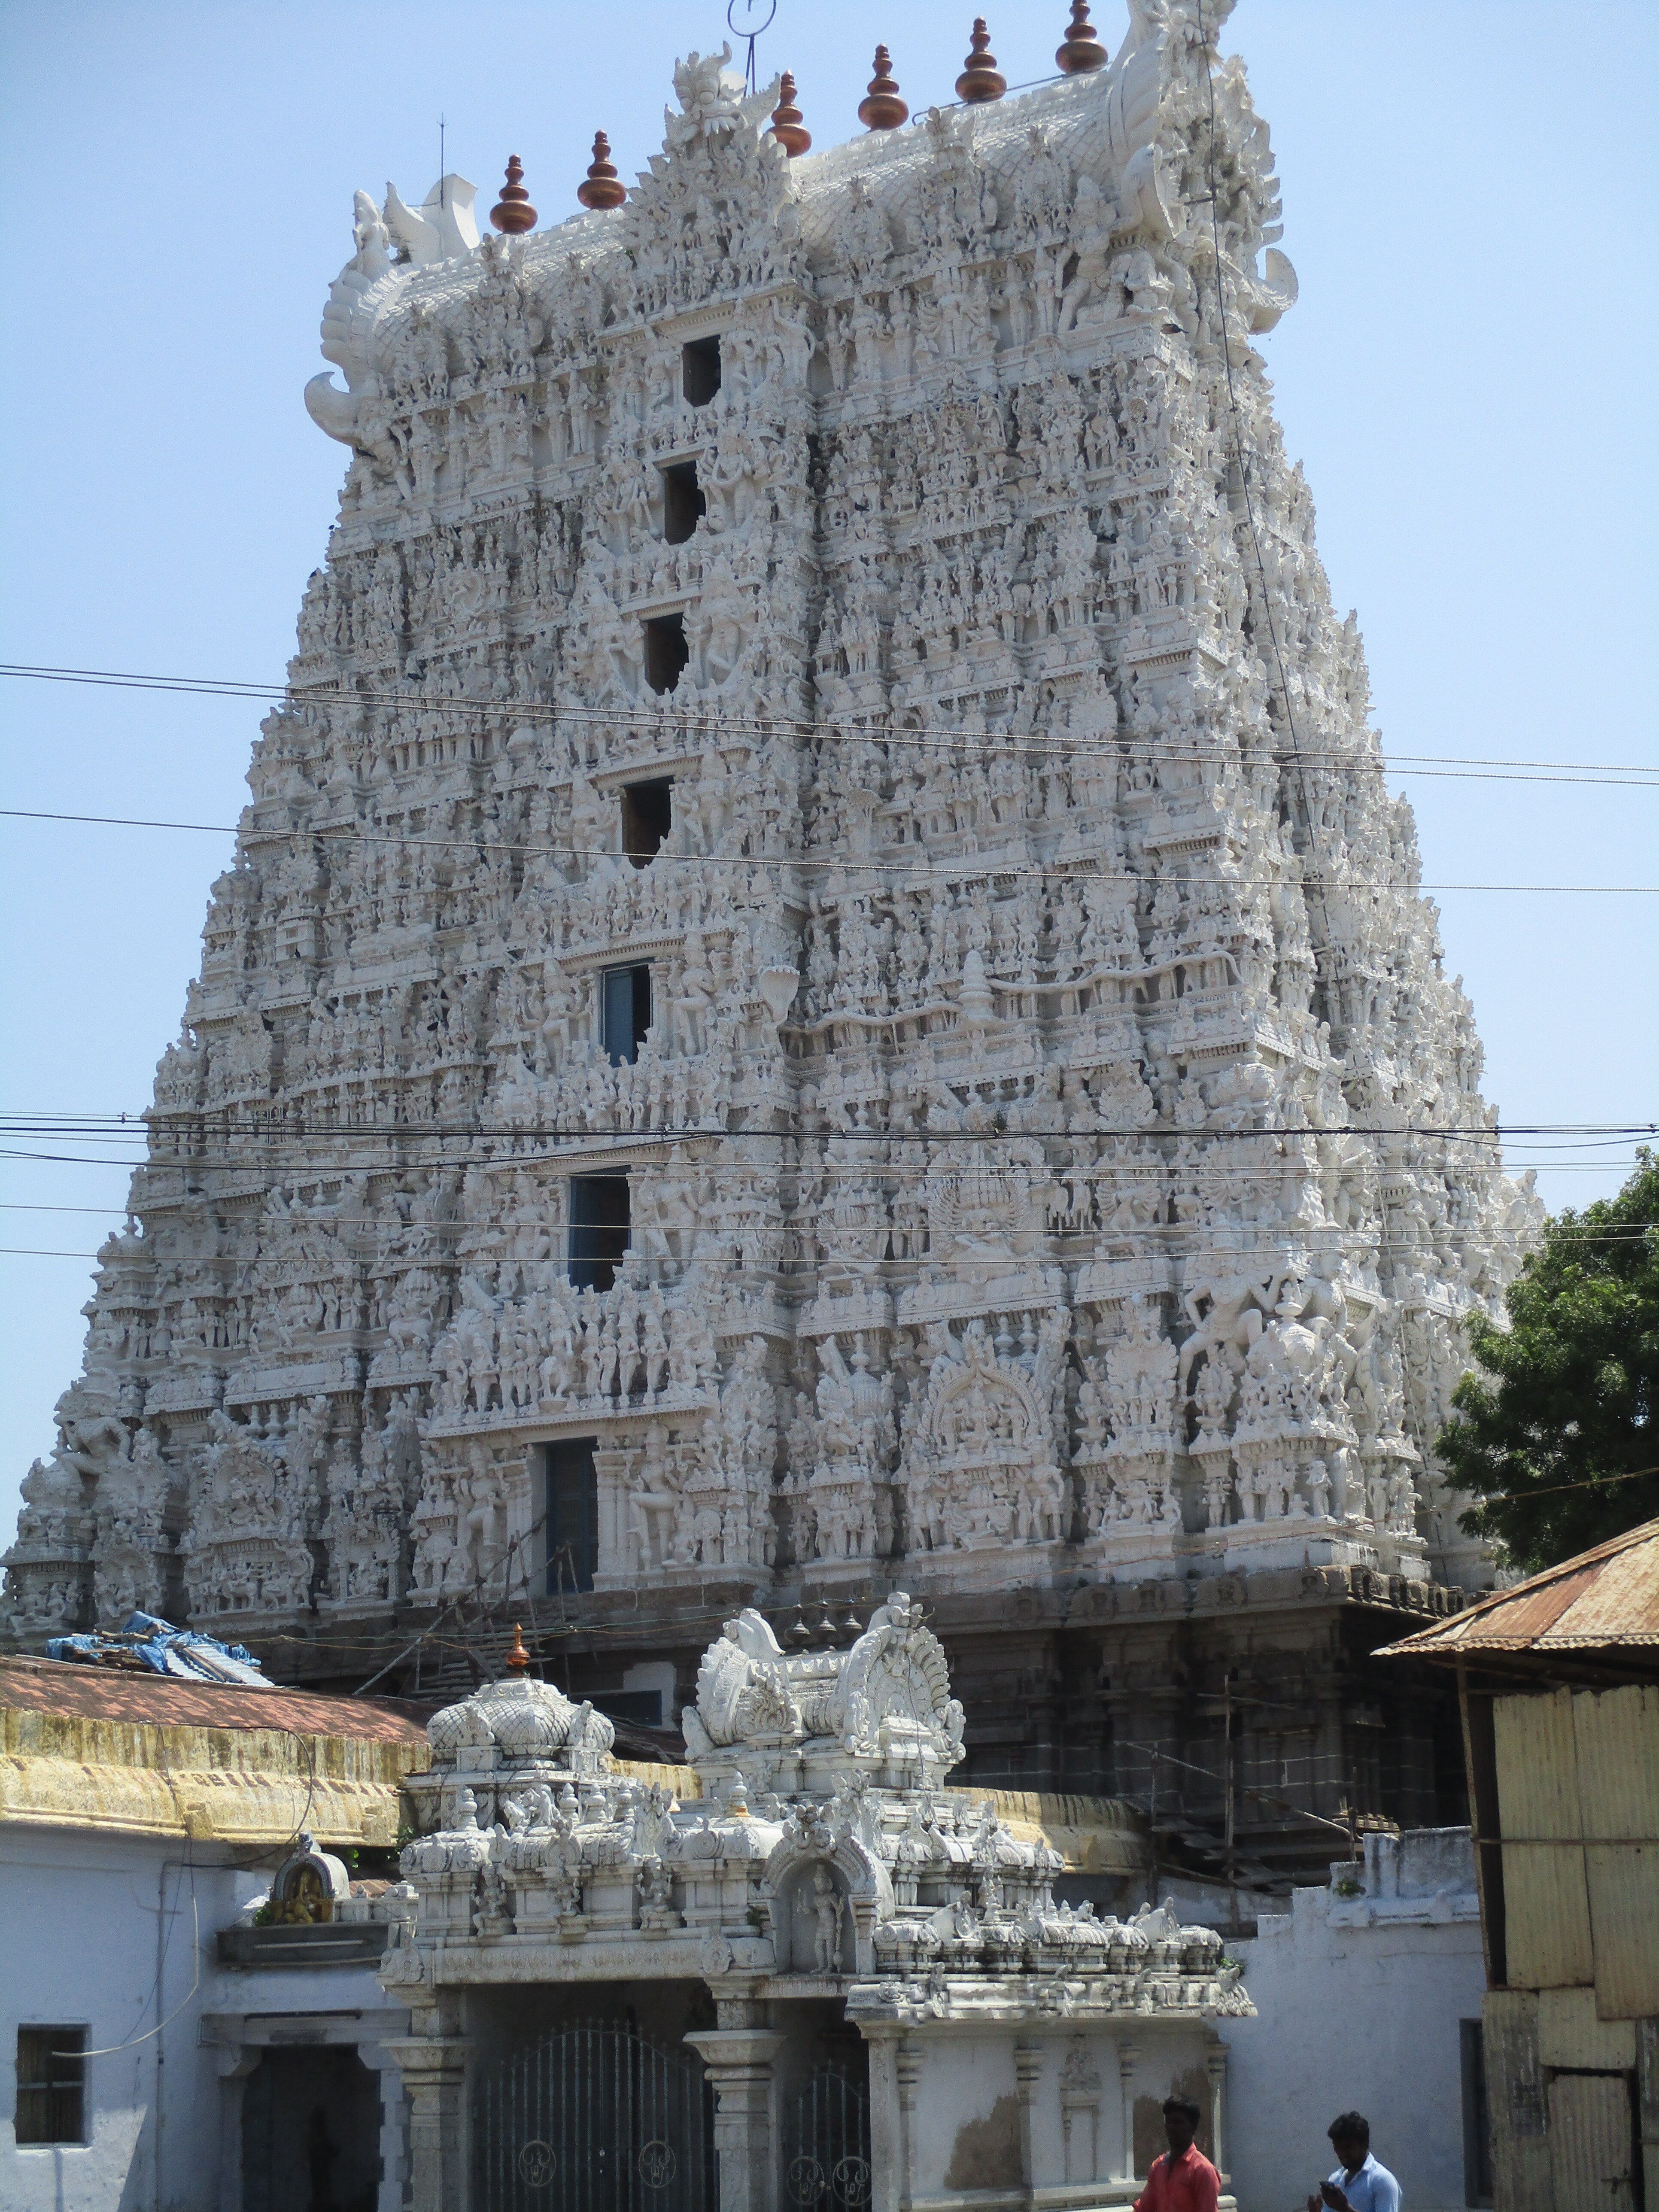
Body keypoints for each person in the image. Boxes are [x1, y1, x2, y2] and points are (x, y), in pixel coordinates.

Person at [1135, 2094, 1220, 2212]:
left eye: (1178, 2122)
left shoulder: (1203, 2170)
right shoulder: (1159, 2166)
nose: (1172, 2127)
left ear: (1193, 2126)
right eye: (1169, 2122)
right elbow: (1143, 2209)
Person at [1308, 2112, 1401, 2212]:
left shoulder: (1381, 2180)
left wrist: (1345, 2209)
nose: (1342, 2153)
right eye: (1337, 2147)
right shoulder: (1336, 2179)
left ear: (1365, 2144)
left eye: (1348, 2147)